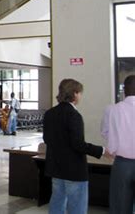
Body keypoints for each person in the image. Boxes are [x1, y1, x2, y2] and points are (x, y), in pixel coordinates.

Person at [43, 79, 105, 214]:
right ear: (75, 94)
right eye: (80, 93)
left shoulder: (49, 113)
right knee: (77, 206)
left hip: (56, 167)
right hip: (74, 171)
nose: (80, 96)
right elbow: (78, 144)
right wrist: (101, 150)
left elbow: (47, 139)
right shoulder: (74, 115)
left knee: (57, 202)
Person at [101, 75, 135, 214]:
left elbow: (104, 132)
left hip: (122, 164)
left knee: (120, 206)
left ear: (124, 90)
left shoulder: (112, 109)